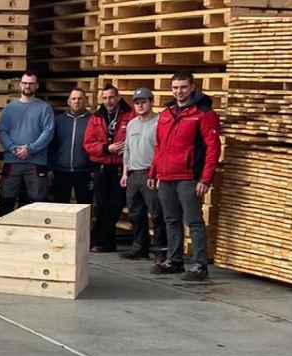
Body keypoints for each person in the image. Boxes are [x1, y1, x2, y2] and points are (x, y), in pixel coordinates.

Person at [149, 71, 221, 283]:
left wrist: (205, 179)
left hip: (188, 177)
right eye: (175, 88)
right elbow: (159, 145)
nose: (179, 92)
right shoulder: (167, 113)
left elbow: (213, 148)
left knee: (194, 221)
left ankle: (199, 265)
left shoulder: (203, 113)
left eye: (183, 87)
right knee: (171, 220)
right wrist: (154, 171)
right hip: (166, 175)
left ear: (192, 87)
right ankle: (174, 261)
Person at [0, 71, 55, 214]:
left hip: (36, 162)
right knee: (6, 201)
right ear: (20, 84)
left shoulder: (45, 108)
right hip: (12, 161)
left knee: (37, 204)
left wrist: (30, 149)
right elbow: (2, 131)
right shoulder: (10, 108)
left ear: (37, 86)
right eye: (25, 83)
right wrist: (13, 148)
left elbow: (48, 132)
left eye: (31, 83)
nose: (27, 86)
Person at [84, 83, 133, 252]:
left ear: (118, 97)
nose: (108, 101)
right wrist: (106, 148)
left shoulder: (130, 115)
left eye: (111, 97)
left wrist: (128, 147)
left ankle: (106, 241)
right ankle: (101, 241)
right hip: (102, 166)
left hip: (121, 167)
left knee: (115, 205)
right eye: (104, 98)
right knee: (100, 205)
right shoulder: (96, 118)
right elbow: (88, 144)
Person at [120, 88, 166, 263]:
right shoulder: (132, 124)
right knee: (135, 213)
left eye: (144, 102)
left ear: (151, 102)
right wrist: (125, 173)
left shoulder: (159, 123)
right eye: (137, 103)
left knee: (157, 214)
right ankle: (140, 247)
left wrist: (158, 174)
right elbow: (127, 150)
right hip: (133, 174)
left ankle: (161, 250)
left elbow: (162, 150)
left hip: (150, 174)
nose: (140, 105)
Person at [49, 87, 93, 205]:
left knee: (85, 206)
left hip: (85, 172)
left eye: (80, 98)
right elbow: (52, 145)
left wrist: (94, 168)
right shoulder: (59, 121)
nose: (76, 101)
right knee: (60, 206)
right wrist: (51, 167)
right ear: (69, 101)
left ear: (85, 100)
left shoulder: (93, 120)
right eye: (73, 98)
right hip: (61, 171)